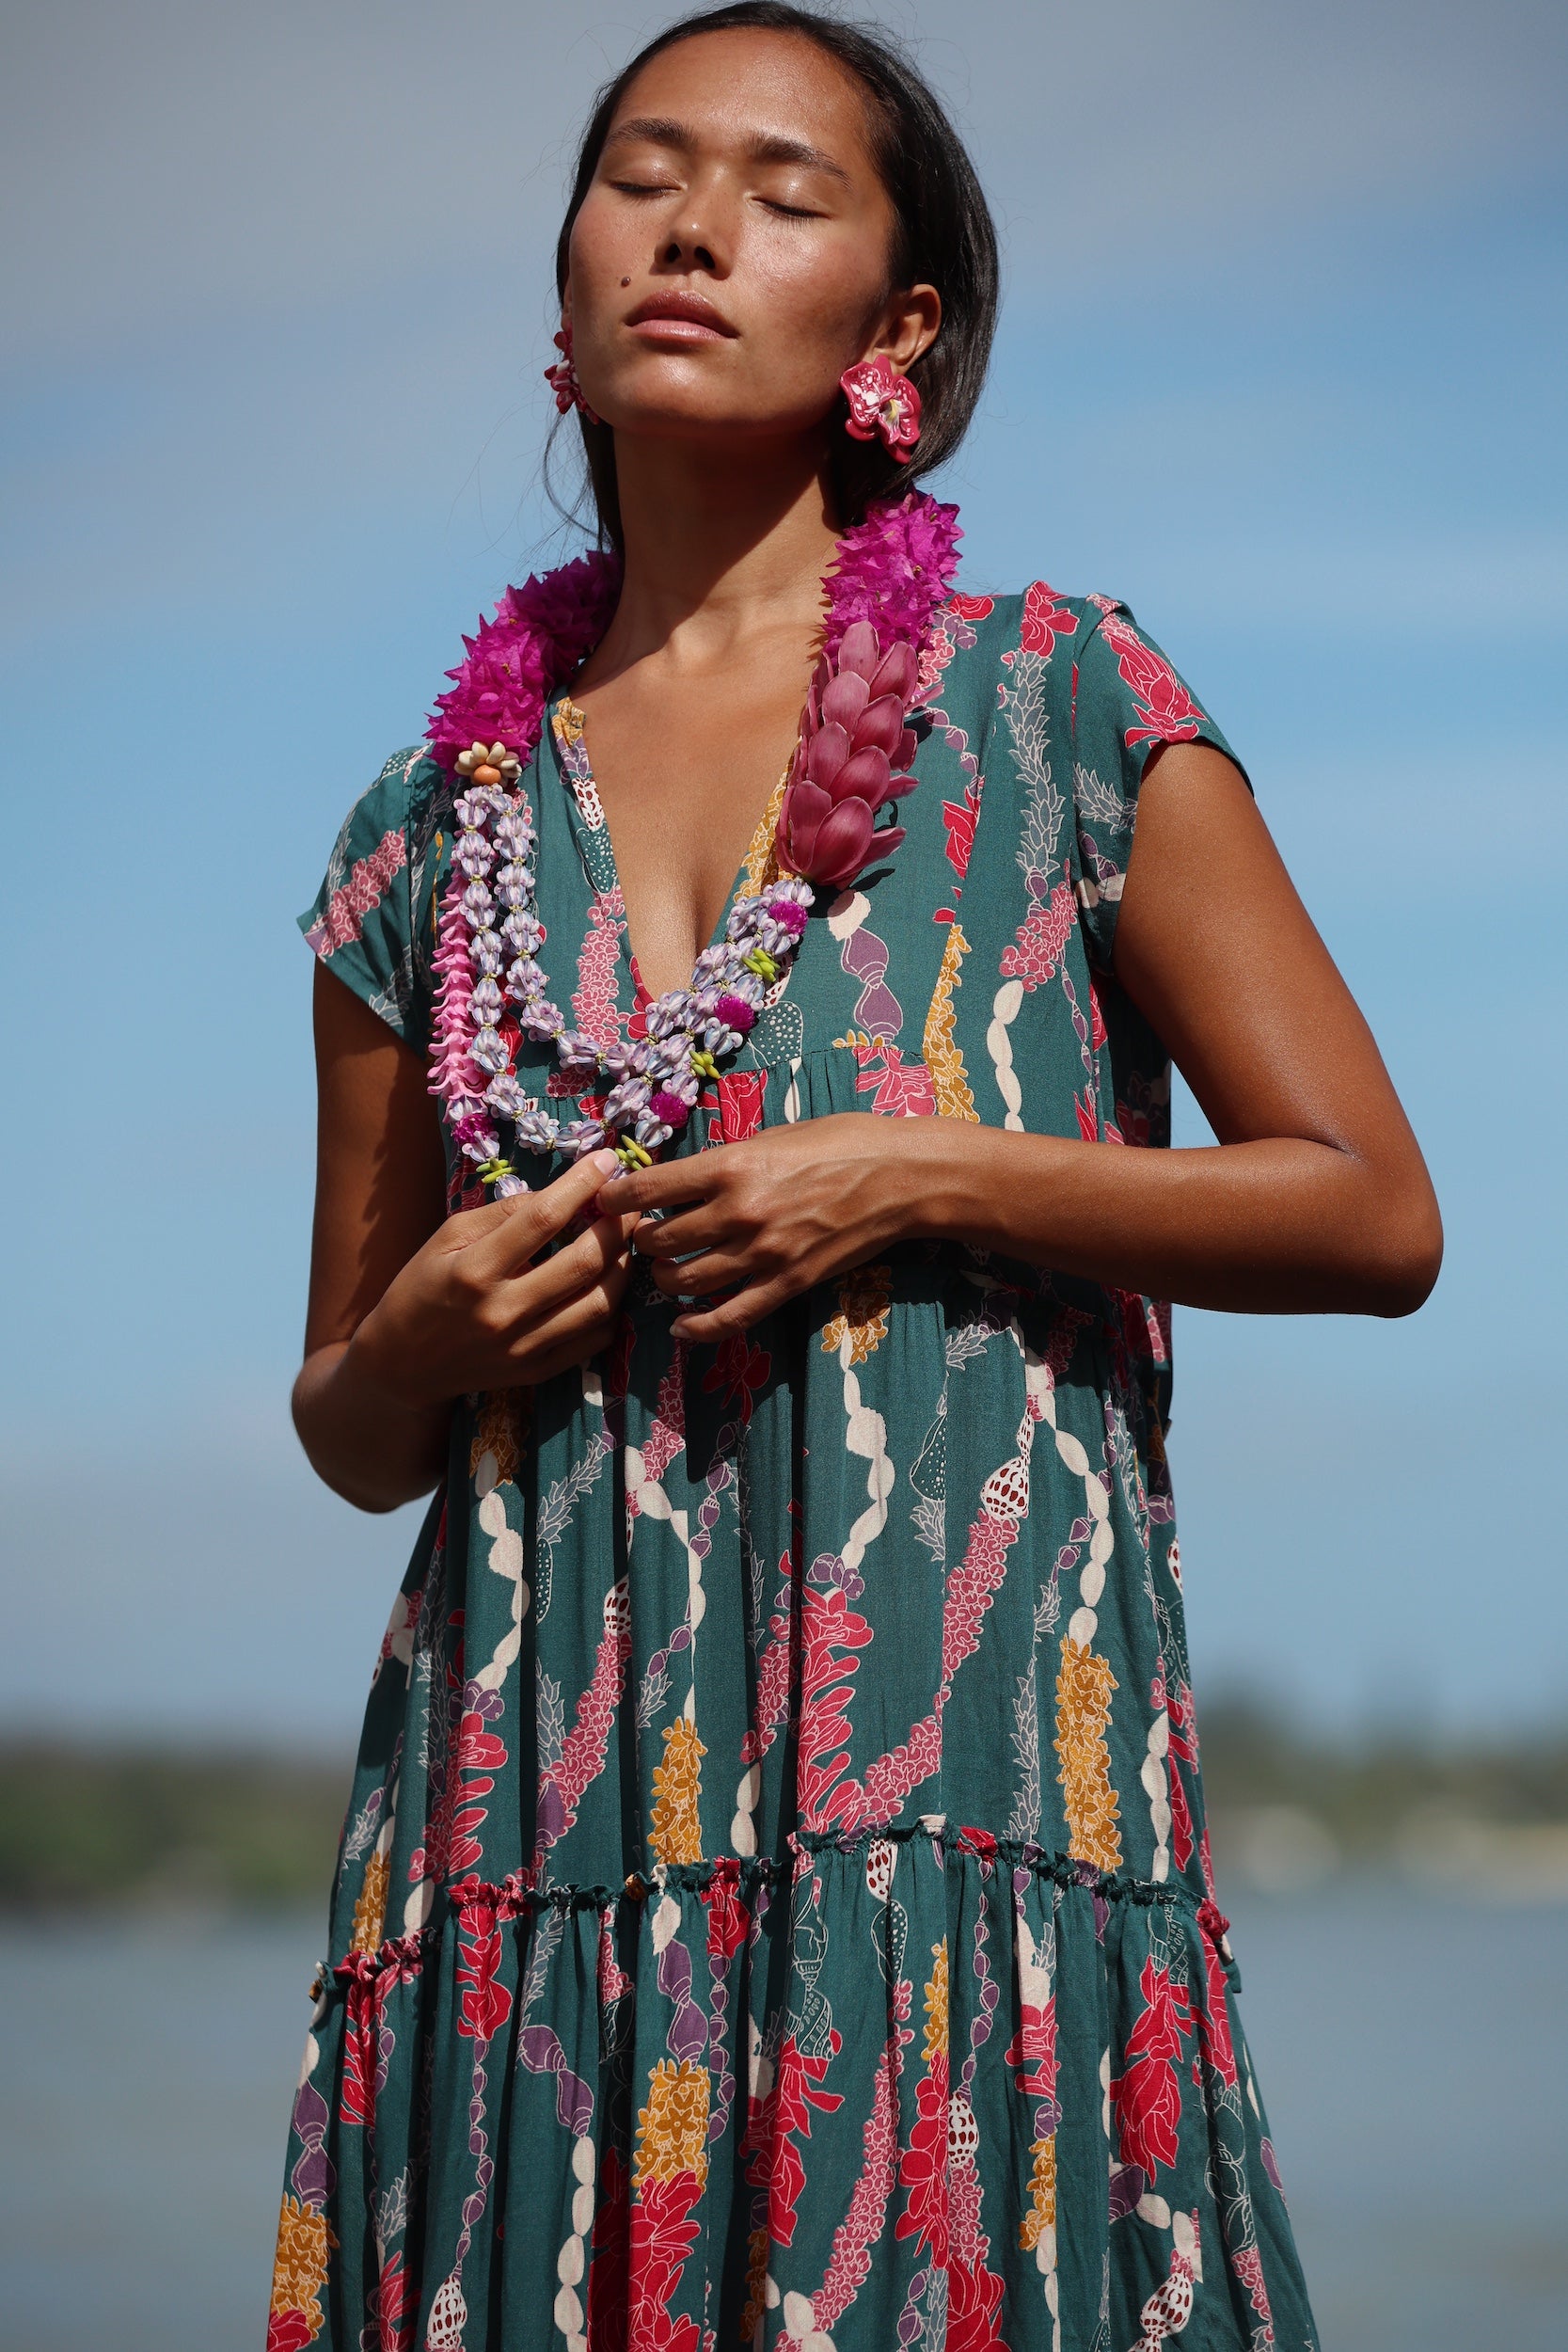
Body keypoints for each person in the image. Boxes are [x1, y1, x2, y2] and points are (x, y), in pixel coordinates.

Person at [269, 7, 1439, 2346]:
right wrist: (418, 1337)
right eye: (643, 175)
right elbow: (346, 1421)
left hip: (957, 1792)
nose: (696, 227)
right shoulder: (425, 841)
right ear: (568, 286)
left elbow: (1367, 1205)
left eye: (786, 193)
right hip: (528, 1826)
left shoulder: (1058, 700)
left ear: (897, 328)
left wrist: (909, 1173)